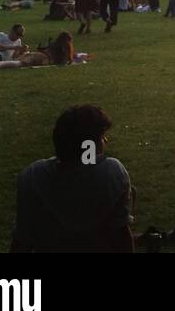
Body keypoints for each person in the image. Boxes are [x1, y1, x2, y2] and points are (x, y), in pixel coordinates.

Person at [11, 104, 133, 252]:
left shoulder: (32, 177)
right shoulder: (112, 173)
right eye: (101, 137)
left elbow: (22, 239)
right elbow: (121, 234)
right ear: (89, 146)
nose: (105, 141)